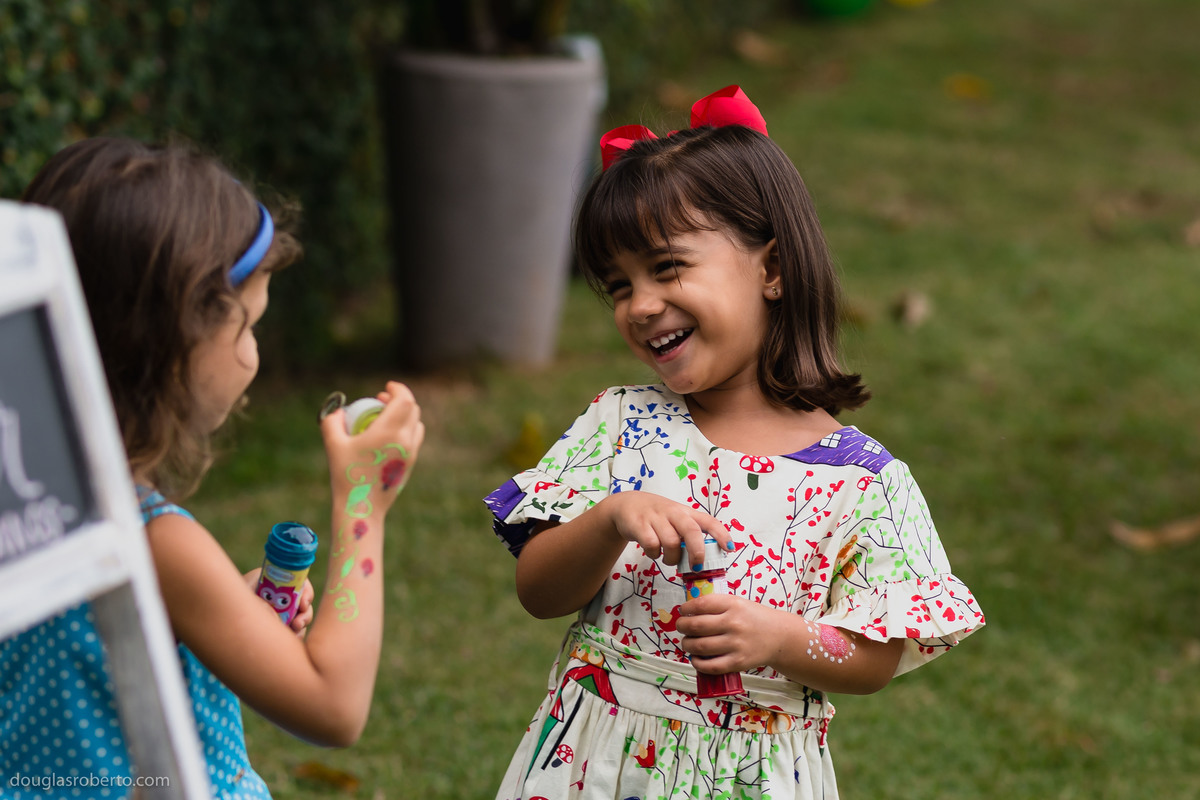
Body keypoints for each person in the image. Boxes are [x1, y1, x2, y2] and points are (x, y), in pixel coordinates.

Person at [484, 86, 985, 799]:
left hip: (749, 777)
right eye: (618, 285)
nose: (641, 304)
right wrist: (608, 519)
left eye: (666, 267)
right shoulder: (620, 424)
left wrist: (778, 639)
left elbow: (875, 659)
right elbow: (538, 591)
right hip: (590, 767)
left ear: (772, 269)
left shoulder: (861, 481)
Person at [0, 137, 425, 799]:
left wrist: (226, 605)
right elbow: (332, 705)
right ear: (174, 339)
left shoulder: (24, 506)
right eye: (248, 325)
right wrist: (363, 501)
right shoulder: (155, 541)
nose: (254, 353)